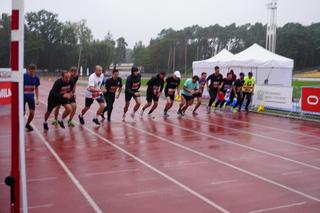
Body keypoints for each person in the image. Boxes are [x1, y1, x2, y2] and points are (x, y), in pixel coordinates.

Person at [24, 64, 40, 131]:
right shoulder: (24, 76)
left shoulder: (36, 77)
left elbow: (36, 88)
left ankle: (28, 124)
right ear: (28, 70)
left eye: (34, 71)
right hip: (23, 97)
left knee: (32, 113)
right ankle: (18, 125)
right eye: (31, 71)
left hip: (31, 97)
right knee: (22, 113)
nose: (32, 73)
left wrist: (37, 98)